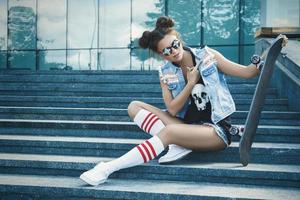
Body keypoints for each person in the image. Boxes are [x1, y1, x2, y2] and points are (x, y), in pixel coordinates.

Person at [80, 16, 288, 186]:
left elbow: (247, 72)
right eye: (166, 51)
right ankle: (180, 143)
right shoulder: (166, 72)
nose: (173, 51)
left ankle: (107, 168)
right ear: (162, 55)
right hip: (186, 126)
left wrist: (266, 56)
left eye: (174, 45)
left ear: (178, 38)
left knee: (168, 133)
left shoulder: (207, 55)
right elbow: (172, 109)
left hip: (215, 131)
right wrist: (190, 83)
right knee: (134, 106)